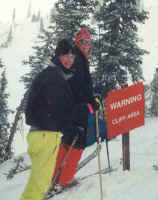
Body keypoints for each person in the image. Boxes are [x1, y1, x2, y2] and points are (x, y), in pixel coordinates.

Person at [20, 39, 92, 200]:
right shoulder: (53, 77)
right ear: (57, 56)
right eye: (65, 55)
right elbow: (59, 110)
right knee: (37, 187)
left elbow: (56, 109)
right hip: (44, 135)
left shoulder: (56, 75)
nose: (69, 60)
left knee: (39, 184)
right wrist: (83, 110)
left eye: (72, 57)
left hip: (45, 134)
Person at [52, 28, 102, 189]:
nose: (86, 45)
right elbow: (77, 87)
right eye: (83, 42)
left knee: (67, 140)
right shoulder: (78, 60)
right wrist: (90, 102)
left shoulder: (78, 58)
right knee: (78, 143)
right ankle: (65, 180)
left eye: (88, 42)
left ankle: (54, 177)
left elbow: (79, 85)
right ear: (77, 42)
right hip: (78, 109)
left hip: (70, 108)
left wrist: (92, 96)